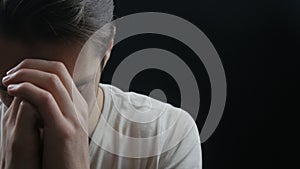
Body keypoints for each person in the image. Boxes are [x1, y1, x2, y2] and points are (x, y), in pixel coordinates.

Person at [0, 0, 202, 168]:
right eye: (11, 90)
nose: (40, 115)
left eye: (69, 90)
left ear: (108, 48)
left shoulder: (166, 137)